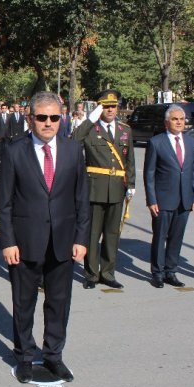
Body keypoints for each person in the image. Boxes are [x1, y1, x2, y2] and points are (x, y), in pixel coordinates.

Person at [0, 91, 89, 383]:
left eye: (54, 117)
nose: (48, 123)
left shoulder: (74, 150)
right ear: (30, 119)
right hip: (24, 243)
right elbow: (5, 203)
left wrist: (82, 238)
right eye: (42, 117)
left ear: (61, 118)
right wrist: (8, 241)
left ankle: (53, 355)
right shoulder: (14, 151)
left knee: (59, 302)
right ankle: (24, 355)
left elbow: (82, 200)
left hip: (63, 241)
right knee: (24, 303)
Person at [72, 89, 135, 290]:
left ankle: (108, 273)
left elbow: (130, 160)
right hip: (95, 189)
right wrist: (89, 121)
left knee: (112, 234)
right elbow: (73, 142)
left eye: (113, 106)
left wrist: (131, 184)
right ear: (100, 107)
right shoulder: (91, 129)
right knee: (92, 234)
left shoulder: (125, 130)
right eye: (106, 106)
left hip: (117, 188)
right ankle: (91, 274)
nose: (110, 110)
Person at [143, 105, 194, 288]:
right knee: (160, 237)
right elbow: (149, 173)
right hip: (163, 199)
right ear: (167, 122)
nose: (179, 122)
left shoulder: (190, 143)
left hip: (184, 199)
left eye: (182, 119)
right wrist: (151, 200)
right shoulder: (156, 142)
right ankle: (158, 273)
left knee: (177, 237)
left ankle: (171, 271)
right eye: (175, 119)